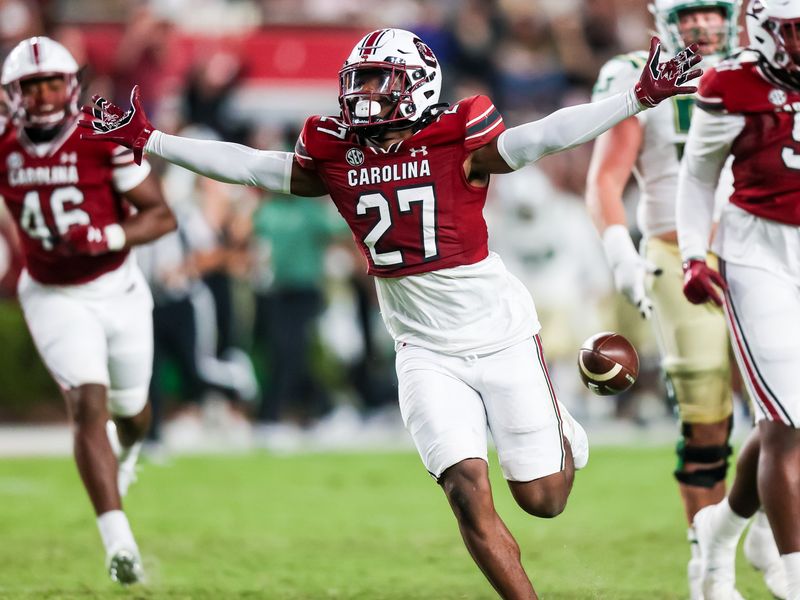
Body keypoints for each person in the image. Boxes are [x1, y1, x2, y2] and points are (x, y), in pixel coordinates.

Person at [81, 28, 700, 599]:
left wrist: (635, 98)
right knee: (465, 491)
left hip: (502, 334)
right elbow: (252, 166)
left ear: (420, 84)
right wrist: (151, 139)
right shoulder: (332, 148)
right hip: (423, 350)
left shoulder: (459, 135)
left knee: (543, 500)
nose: (367, 95)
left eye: (383, 80)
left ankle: (560, 425)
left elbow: (542, 137)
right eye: (362, 80)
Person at [586, 2, 783, 598]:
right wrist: (621, 252)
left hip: (757, 247)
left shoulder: (761, 69)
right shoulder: (634, 72)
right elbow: (605, 177)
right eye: (690, 13)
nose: (703, 25)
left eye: (713, 11)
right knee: (706, 414)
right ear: (666, 17)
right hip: (674, 252)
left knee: (780, 407)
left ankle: (765, 533)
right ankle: (708, 560)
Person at [0, 37, 176, 584]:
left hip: (117, 288)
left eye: (53, 82)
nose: (45, 94)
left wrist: (108, 233)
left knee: (134, 413)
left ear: (71, 84)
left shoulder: (100, 140)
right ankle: (119, 543)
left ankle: (127, 458)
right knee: (87, 404)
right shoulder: (4, 146)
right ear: (13, 93)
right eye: (32, 85)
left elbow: (161, 216)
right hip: (52, 292)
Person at [676, 1, 800, 598]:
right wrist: (693, 255)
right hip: (760, 254)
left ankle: (720, 528)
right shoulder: (732, 83)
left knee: (791, 419)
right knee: (785, 423)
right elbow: (698, 175)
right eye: (795, 30)